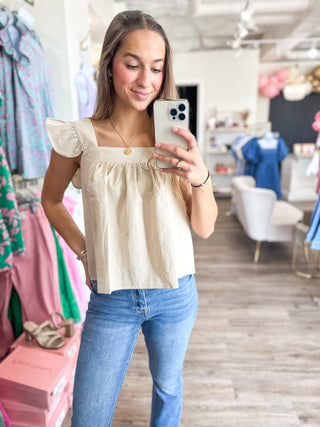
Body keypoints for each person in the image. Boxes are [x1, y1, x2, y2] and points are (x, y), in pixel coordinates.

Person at [41, 10, 218, 427]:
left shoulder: (173, 138)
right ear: (109, 64)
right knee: (88, 416)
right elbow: (50, 201)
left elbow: (205, 227)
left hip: (175, 291)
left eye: (156, 68)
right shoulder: (79, 137)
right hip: (112, 297)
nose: (145, 81)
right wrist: (85, 252)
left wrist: (200, 177)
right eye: (133, 64)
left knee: (168, 387)